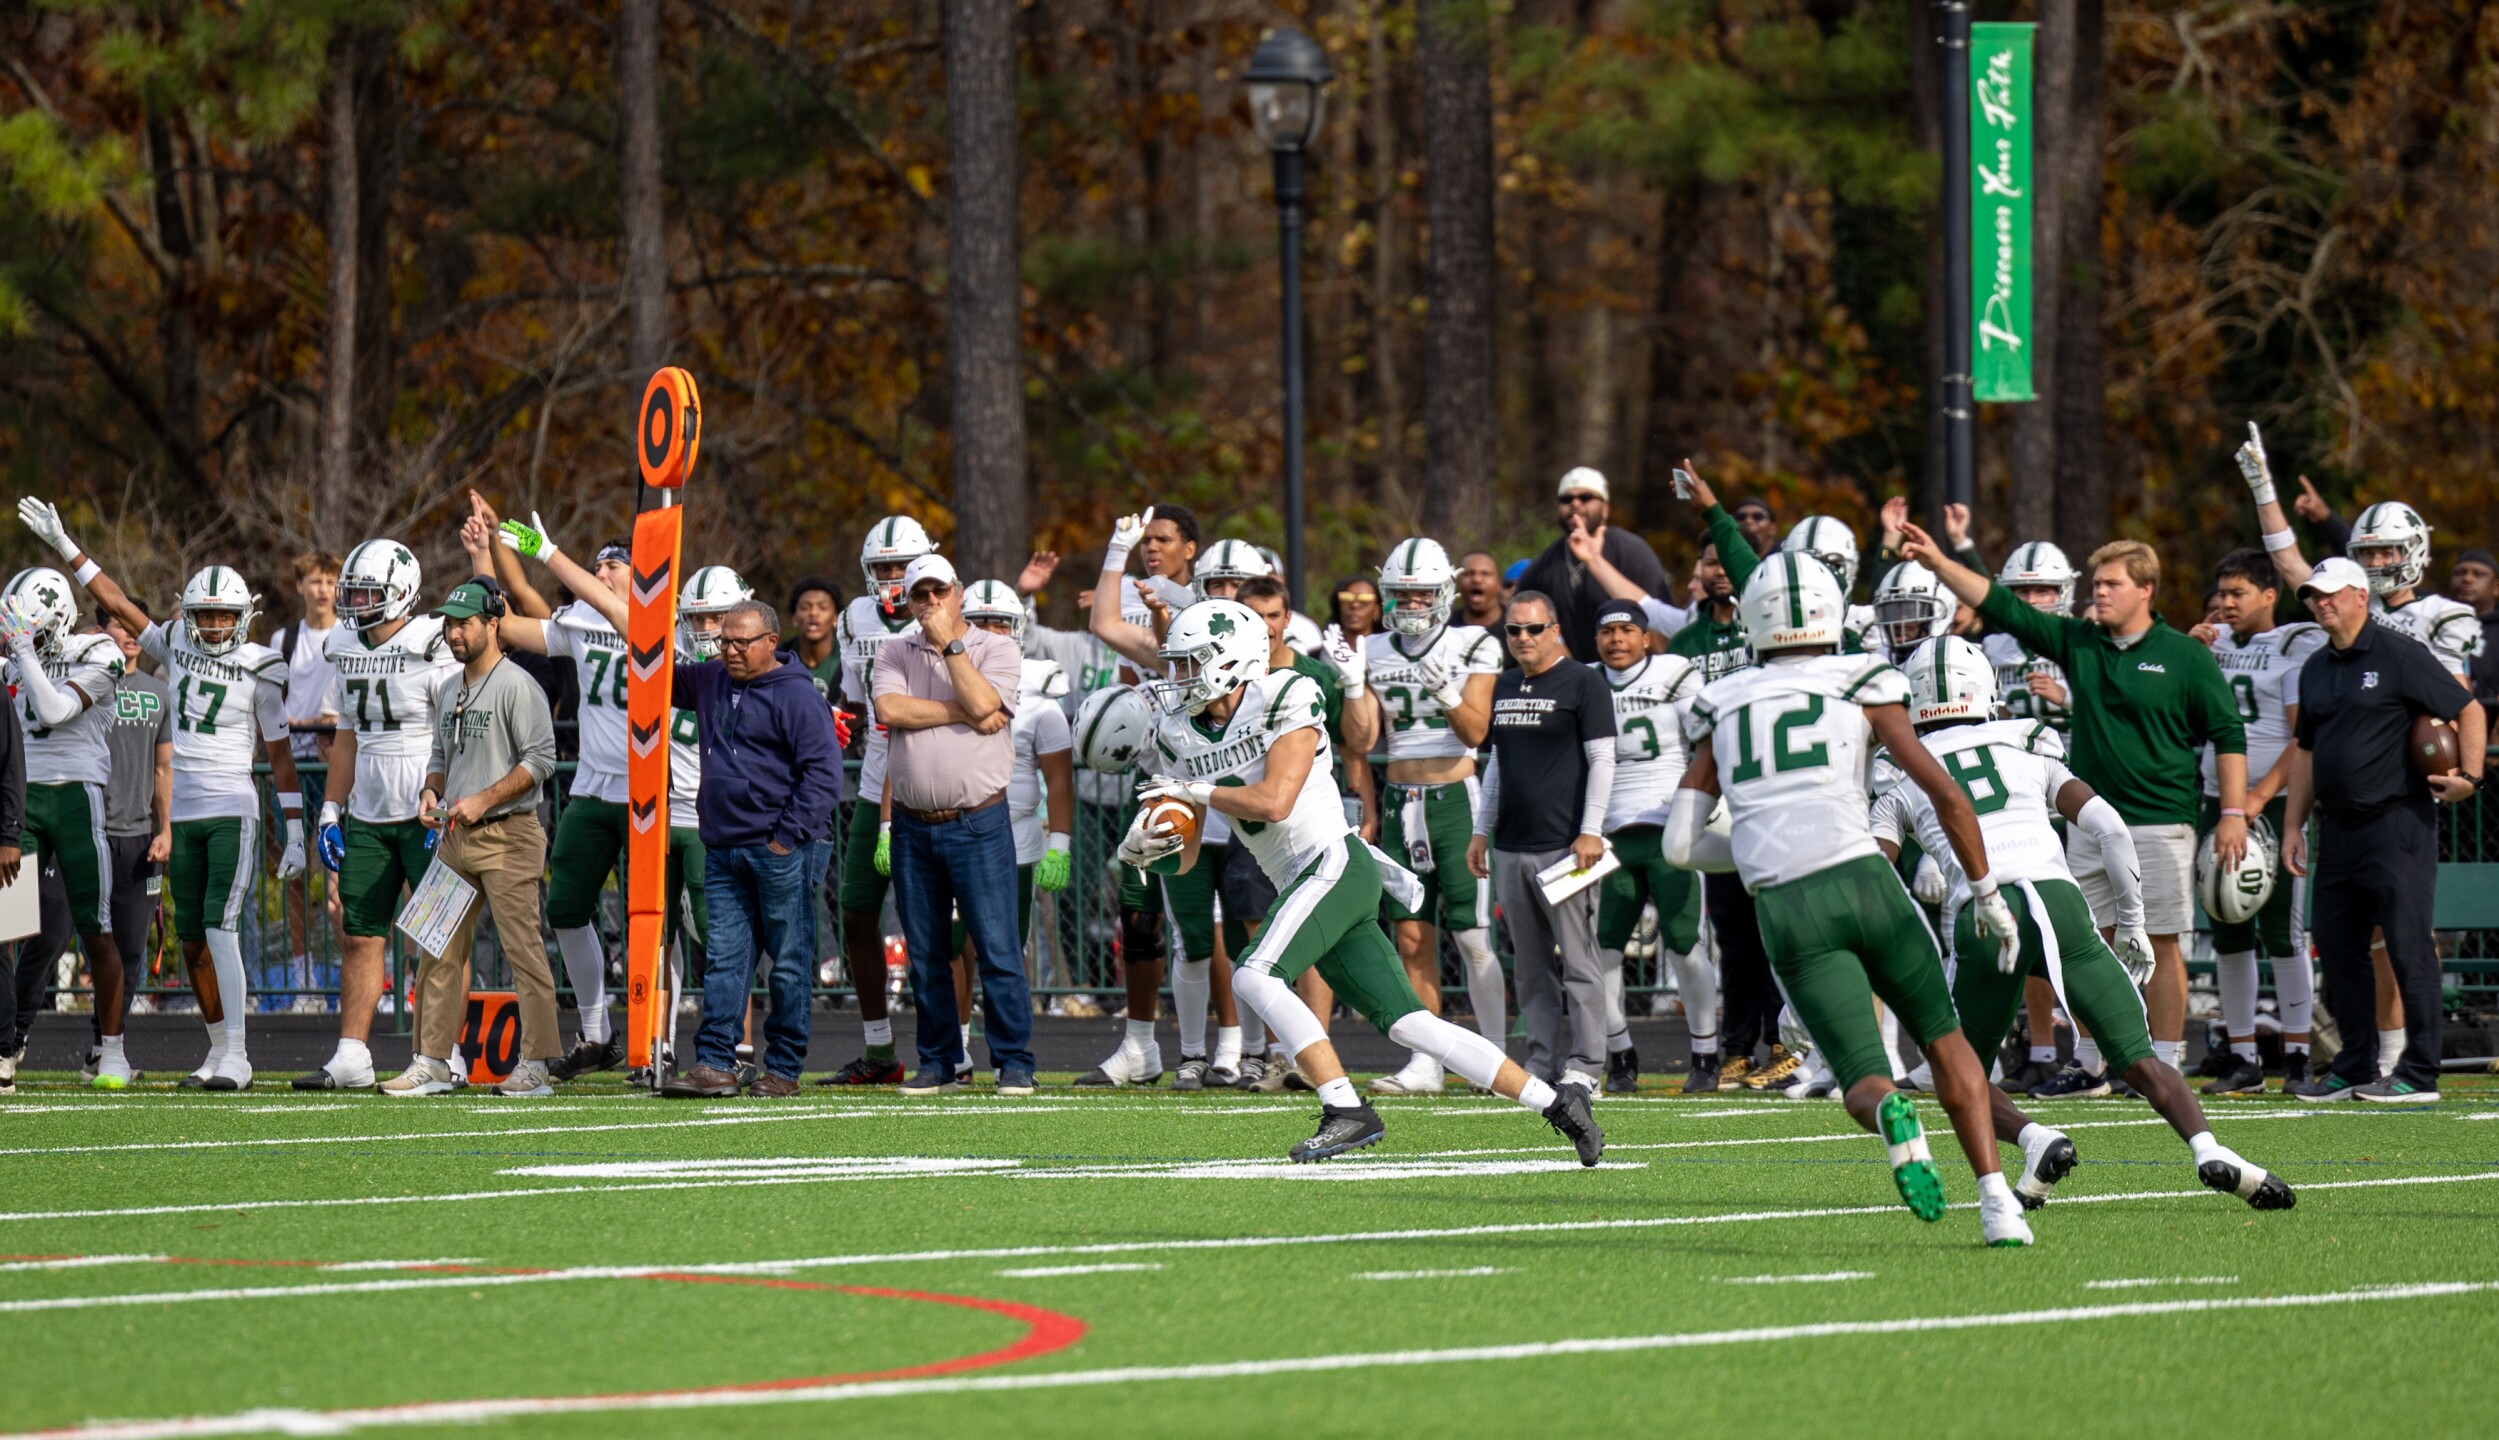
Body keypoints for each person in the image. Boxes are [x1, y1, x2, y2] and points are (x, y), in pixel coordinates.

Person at [1120, 598, 1602, 1164]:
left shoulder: (1286, 695)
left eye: (1189, 662)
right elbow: (1190, 852)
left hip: (1334, 863)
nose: (1178, 676)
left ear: (1230, 658)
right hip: (1298, 878)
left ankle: (1344, 1107)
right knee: (1410, 1025)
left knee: (1254, 975)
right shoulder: (1180, 732)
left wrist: (1193, 793)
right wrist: (1147, 849)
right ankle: (1559, 1103)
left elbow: (1274, 802)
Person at [1659, 552, 2034, 1247]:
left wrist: (1759, 850)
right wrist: (1983, 890)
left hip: (1787, 902)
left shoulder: (1721, 700)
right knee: (1946, 1043)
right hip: (1866, 879)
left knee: (1862, 1078)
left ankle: (1893, 1111)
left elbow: (1680, 845)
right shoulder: (1866, 677)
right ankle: (1995, 1203)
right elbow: (1943, 792)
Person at [1871, 636, 2294, 1211]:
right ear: (1985, 690)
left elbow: (1875, 872)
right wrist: (2132, 922)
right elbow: (2111, 828)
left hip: (1985, 916)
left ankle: (2034, 1138)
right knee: (2141, 1058)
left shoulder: (1898, 768)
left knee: (1952, 1071)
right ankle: (2209, 1148)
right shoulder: (2027, 741)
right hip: (2061, 903)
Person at [1901, 522, 2249, 1096]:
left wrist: (2233, 812)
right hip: (2086, 817)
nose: (2099, 593)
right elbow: (2001, 606)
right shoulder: (2082, 643)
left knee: (2159, 940)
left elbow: (2227, 733)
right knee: (2083, 938)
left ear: (2146, 590)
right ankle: (2089, 1062)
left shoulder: (2185, 655)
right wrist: (1938, 560)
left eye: (2112, 583)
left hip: (2159, 817)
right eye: (2097, 584)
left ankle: (2161, 1057)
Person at [27, 499, 311, 1093]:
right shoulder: (176, 643)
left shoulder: (262, 666)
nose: (210, 627)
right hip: (184, 811)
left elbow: (280, 757)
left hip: (232, 806)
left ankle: (238, 1052)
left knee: (222, 927)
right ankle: (216, 1049)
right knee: (190, 940)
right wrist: (65, 545)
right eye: (202, 616)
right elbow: (116, 601)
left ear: (243, 616)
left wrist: (297, 829)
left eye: (220, 617)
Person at [479, 508, 711, 1084]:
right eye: (599, 563)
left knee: (656, 922)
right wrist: (482, 556)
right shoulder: (583, 617)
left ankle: (660, 1040)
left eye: (614, 564)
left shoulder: (672, 621)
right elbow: (508, 627)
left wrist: (551, 551)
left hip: (660, 791)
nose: (602, 572)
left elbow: (623, 614)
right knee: (564, 908)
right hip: (595, 786)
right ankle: (596, 1033)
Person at [2283, 558, 2486, 1103]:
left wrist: (2469, 776)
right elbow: (2305, 751)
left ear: (2358, 596)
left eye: (2329, 594)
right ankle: (2353, 1064)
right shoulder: (2316, 667)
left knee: (2406, 946)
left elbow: (2468, 711)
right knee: (2336, 945)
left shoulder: (2399, 653)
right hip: (2338, 830)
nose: (2320, 602)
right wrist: (2292, 825)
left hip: (2398, 823)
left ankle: (2419, 1073)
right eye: (2312, 596)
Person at [650, 597, 844, 1098]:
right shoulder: (713, 677)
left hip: (781, 847)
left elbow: (824, 775)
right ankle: (715, 1061)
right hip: (725, 846)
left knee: (789, 962)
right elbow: (653, 672)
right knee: (725, 959)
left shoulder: (798, 695)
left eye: (741, 642)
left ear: (771, 644)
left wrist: (785, 839)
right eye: (723, 642)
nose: (729, 651)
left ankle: (782, 1068)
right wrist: (638, 604)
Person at [372, 578, 559, 1097]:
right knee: (433, 949)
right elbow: (440, 756)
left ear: (492, 624)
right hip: (456, 834)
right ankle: (432, 1061)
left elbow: (540, 761)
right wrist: (431, 792)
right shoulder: (448, 685)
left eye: (464, 623)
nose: (453, 633)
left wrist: (485, 799)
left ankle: (538, 1064)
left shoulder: (519, 685)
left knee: (524, 951)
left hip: (509, 834)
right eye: (449, 624)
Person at [293, 537, 461, 1090]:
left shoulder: (433, 640)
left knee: (436, 937)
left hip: (425, 810)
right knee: (359, 934)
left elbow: (456, 730)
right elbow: (347, 734)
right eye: (355, 591)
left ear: (403, 592)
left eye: (371, 592)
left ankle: (444, 1054)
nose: (358, 602)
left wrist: (450, 798)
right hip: (367, 811)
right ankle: (352, 1054)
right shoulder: (344, 641)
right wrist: (331, 810)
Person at [1084, 510, 1240, 1086]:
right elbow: (1105, 622)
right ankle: (1163, 1048)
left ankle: (1237, 1045)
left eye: (1160, 540)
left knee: (1226, 928)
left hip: (1227, 803)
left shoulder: (1245, 655)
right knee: (1165, 924)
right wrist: (1116, 549)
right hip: (1165, 797)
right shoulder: (1170, 653)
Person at [875, 556, 1037, 1096]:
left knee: (997, 947)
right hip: (913, 825)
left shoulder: (998, 647)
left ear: (958, 593)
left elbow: (988, 700)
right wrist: (964, 710)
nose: (930, 602)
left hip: (978, 821)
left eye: (938, 591)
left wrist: (951, 645)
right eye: (919, 594)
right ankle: (940, 1062)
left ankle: (1014, 1062)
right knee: (925, 953)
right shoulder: (894, 648)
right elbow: (892, 709)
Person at [1355, 538, 1507, 1095]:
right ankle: (1427, 1061)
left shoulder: (1473, 642)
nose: (1413, 604)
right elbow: (1365, 739)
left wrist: (1445, 690)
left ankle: (1492, 1058)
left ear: (1443, 591)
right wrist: (1353, 685)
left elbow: (1474, 731)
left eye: (1422, 593)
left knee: (1471, 936)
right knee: (1412, 939)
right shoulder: (1372, 649)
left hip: (1455, 798)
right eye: (1402, 594)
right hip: (1400, 801)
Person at [1467, 590, 1617, 1094]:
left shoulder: (1584, 681)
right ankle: (1543, 1059)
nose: (1523, 638)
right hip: (1511, 844)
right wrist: (1480, 829)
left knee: (1578, 960)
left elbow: (1603, 761)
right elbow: (1496, 768)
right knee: (1530, 967)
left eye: (1533, 629)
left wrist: (1590, 829)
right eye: (1514, 630)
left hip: (1565, 847)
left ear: (1555, 630)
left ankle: (1587, 1063)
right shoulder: (1506, 684)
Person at [2190, 548, 2326, 1094]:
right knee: (2228, 924)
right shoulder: (2211, 645)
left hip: (2271, 801)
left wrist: (2260, 794)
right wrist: (2188, 653)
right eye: (2221, 592)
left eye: (2237, 593)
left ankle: (2296, 1054)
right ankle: (2242, 1054)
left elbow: (2303, 735)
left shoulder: (2290, 647)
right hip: (2214, 796)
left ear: (2270, 596)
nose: (2225, 603)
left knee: (2282, 932)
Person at [0, 541, 131, 1088]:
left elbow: (55, 710)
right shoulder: (13, 653)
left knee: (96, 931)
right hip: (22, 800)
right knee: (8, 928)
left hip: (78, 795)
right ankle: (6, 1044)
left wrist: (25, 654)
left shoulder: (99, 652)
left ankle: (112, 1048)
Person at [940, 582, 1073, 1081]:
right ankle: (955, 1050)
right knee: (948, 944)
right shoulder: (937, 674)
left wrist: (1059, 844)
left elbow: (1060, 779)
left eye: (1003, 624)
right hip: (948, 825)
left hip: (1013, 833)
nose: (994, 632)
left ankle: (1008, 1058)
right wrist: (889, 824)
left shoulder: (1040, 692)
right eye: (984, 621)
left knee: (1003, 948)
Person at [821, 516, 936, 1084]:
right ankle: (878, 1047)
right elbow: (853, 700)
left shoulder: (941, 609)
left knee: (935, 922)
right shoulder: (853, 619)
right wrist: (841, 722)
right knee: (858, 911)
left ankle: (951, 1051)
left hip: (932, 782)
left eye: (900, 565)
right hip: (873, 785)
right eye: (882, 567)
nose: (891, 576)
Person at [1587, 598, 1711, 1092]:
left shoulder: (1674, 673)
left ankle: (1705, 1055)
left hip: (1668, 826)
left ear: (1646, 637)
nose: (1616, 639)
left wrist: (1701, 807)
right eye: (1607, 631)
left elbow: (1705, 738)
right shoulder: (1586, 679)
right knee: (1605, 951)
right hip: (1609, 834)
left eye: (1626, 630)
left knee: (1685, 944)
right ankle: (1620, 1055)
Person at [270, 550, 344, 1011]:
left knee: (341, 875)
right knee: (295, 874)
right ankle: (303, 981)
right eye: (315, 581)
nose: (322, 590)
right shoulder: (285, 638)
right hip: (294, 766)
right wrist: (291, 723)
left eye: (330, 582)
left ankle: (357, 972)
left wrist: (329, 723)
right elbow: (271, 701)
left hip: (336, 763)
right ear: (300, 586)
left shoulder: (350, 634)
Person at [1514, 467, 1672, 662]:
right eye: (1566, 499)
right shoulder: (1542, 566)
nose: (1575, 504)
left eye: (1586, 497)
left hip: (1632, 676)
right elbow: (1520, 626)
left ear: (1605, 509)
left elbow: (1661, 627)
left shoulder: (1632, 552)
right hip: (1575, 680)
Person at [2448, 548, 2498, 713]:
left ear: (2496, 587)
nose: (2467, 579)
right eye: (2460, 573)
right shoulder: (2432, 625)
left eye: (2478, 574)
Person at [1455, 550, 1506, 631]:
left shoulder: (1515, 628)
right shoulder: (1444, 628)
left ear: (1499, 583)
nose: (1477, 579)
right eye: (1469, 574)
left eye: (1485, 574)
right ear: (1458, 582)